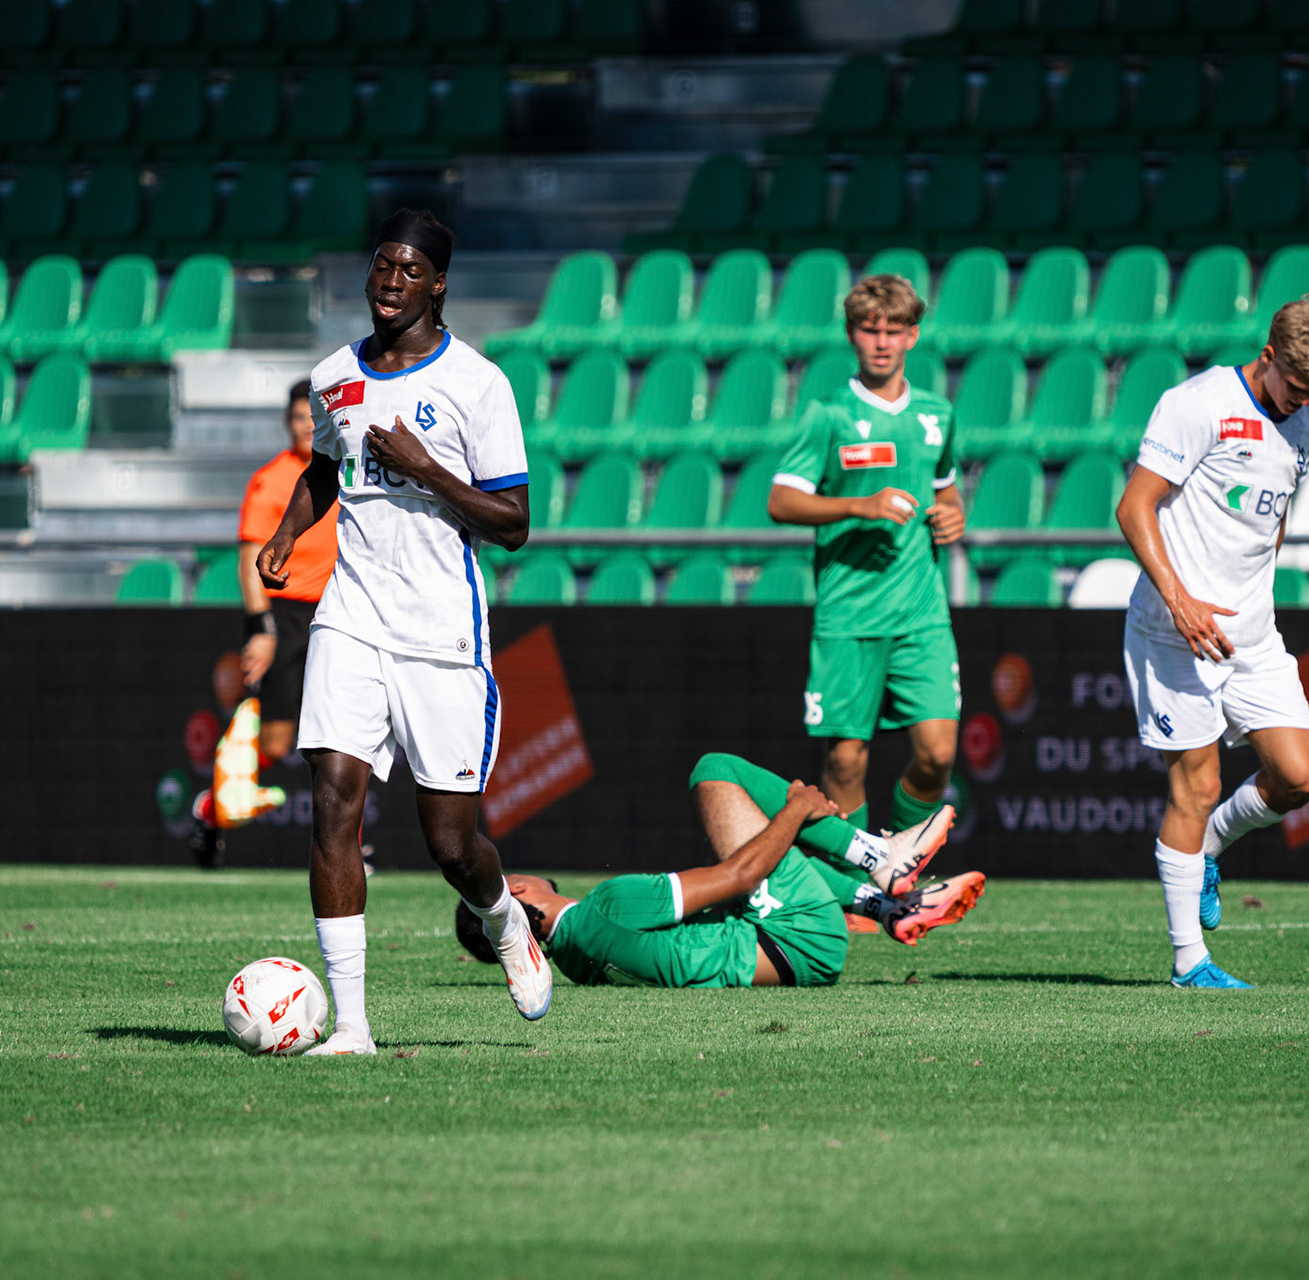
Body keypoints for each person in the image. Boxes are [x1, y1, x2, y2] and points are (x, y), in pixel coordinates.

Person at [255, 209, 546, 1056]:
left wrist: (427, 469)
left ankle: (504, 921)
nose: (392, 281)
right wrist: (286, 534)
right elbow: (325, 468)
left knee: (451, 844)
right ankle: (352, 1026)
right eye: (383, 265)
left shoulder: (478, 384)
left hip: (441, 633)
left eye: (411, 269)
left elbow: (514, 522)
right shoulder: (333, 376)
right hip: (350, 614)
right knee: (334, 801)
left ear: (438, 284)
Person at [1114, 297, 1309, 990]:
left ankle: (1210, 850)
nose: (1303, 400)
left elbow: (1270, 521)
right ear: (1268, 354)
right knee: (1197, 786)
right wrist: (1181, 600)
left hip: (1251, 635)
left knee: (1302, 777)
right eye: (1296, 385)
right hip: (1174, 631)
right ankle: (1190, 963)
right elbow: (1133, 507)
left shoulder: (1306, 425)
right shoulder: (1198, 404)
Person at [766, 274, 965, 931]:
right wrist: (860, 505)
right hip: (849, 612)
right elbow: (782, 500)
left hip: (921, 612)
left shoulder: (937, 413)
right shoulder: (827, 414)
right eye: (869, 329)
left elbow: (946, 488)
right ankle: (861, 891)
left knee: (936, 754)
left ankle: (899, 859)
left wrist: (953, 514)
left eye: (893, 330)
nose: (881, 342)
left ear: (913, 335)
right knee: (846, 759)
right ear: (852, 335)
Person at [454, 753, 984, 989]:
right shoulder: (606, 906)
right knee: (715, 772)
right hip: (800, 935)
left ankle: (886, 906)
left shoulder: (573, 962)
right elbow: (740, 876)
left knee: (754, 846)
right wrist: (797, 809)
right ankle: (876, 856)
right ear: (514, 888)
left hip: (795, 960)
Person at [189, 380, 339, 869]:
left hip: (338, 610)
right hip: (286, 614)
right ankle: (211, 808)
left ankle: (351, 848)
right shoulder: (272, 480)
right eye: (298, 418)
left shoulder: (346, 471)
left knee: (344, 737)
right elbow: (250, 557)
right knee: (275, 742)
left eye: (314, 418)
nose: (307, 427)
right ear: (286, 422)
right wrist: (262, 628)